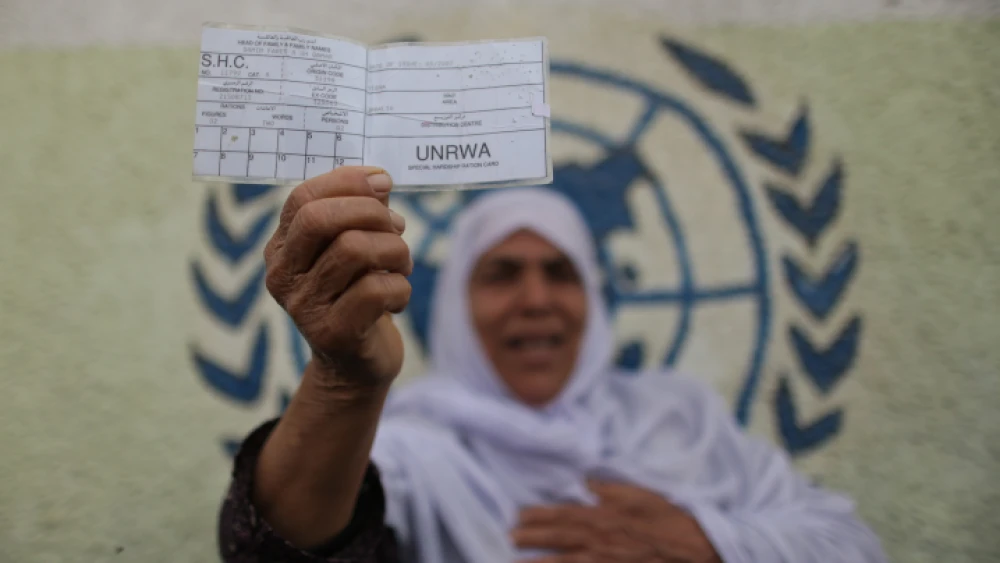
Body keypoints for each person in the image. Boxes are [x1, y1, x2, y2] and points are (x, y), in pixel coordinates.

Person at [217, 166, 886, 563]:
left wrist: (705, 541)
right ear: (454, 305)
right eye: (502, 273)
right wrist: (346, 380)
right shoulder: (413, 449)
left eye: (560, 272)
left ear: (593, 297)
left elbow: (852, 543)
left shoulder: (680, 417)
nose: (536, 301)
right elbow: (273, 549)